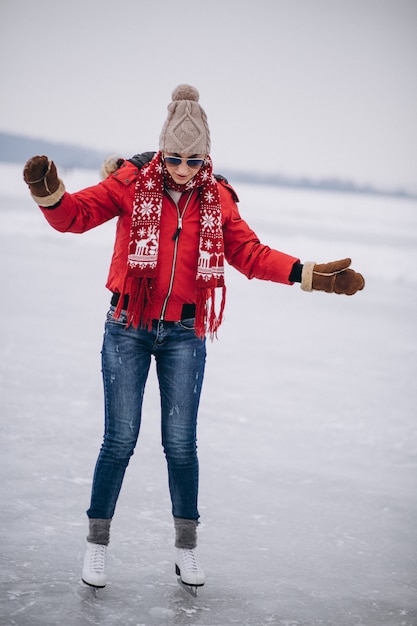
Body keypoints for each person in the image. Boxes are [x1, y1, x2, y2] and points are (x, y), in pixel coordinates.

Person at [23, 84, 364, 591]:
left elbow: (249, 252)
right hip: (127, 327)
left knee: (181, 445)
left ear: (206, 157)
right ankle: (96, 546)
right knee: (119, 439)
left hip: (185, 332)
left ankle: (186, 551)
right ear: (163, 150)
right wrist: (48, 192)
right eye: (176, 158)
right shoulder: (131, 184)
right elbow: (76, 216)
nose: (184, 169)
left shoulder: (217, 199)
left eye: (194, 159)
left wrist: (306, 273)